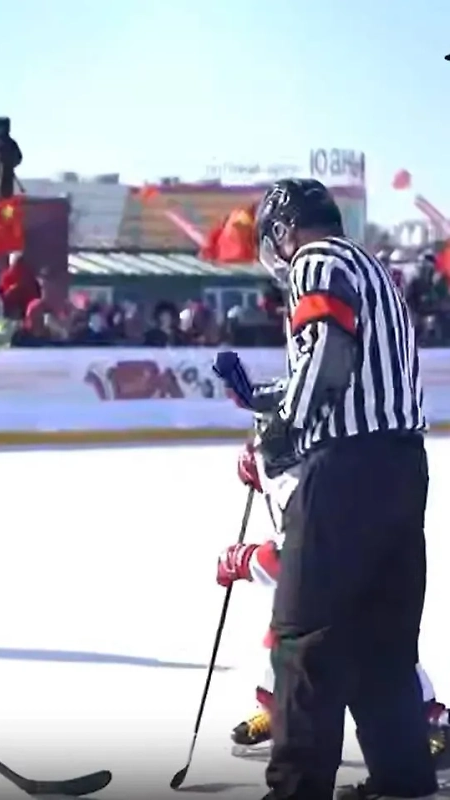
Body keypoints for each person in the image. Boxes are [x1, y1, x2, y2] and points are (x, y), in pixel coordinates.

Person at [212, 178, 432, 800]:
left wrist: (284, 427)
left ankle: (296, 788)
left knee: (304, 636)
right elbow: (342, 366)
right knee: (382, 640)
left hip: (345, 472)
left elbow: (328, 352)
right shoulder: (374, 269)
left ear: (284, 230)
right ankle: (403, 781)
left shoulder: (317, 260)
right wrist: (263, 398)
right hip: (402, 467)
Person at [219, 439, 450, 768]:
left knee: (373, 639)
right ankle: (281, 707)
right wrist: (260, 457)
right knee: (292, 626)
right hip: (353, 537)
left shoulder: (310, 473)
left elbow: (297, 558)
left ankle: (429, 722)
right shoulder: (287, 460)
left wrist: (245, 561)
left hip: (358, 556)